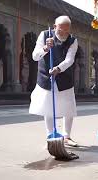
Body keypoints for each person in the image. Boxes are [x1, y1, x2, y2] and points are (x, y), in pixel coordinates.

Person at [29, 16, 78, 147]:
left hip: (64, 76)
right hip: (45, 76)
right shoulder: (44, 35)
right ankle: (51, 137)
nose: (64, 34)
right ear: (55, 27)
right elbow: (35, 56)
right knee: (48, 107)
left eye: (67, 31)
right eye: (61, 30)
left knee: (68, 108)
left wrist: (58, 68)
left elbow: (70, 60)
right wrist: (45, 48)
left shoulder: (73, 40)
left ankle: (66, 136)